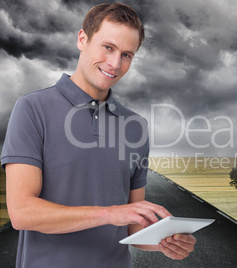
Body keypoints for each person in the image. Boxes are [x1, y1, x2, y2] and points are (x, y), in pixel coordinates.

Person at [1, 3, 196, 268]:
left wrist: (165, 242)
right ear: (83, 39)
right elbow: (23, 213)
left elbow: (131, 226)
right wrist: (109, 213)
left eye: (127, 55)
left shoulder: (135, 127)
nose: (115, 64)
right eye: (108, 47)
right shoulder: (32, 109)